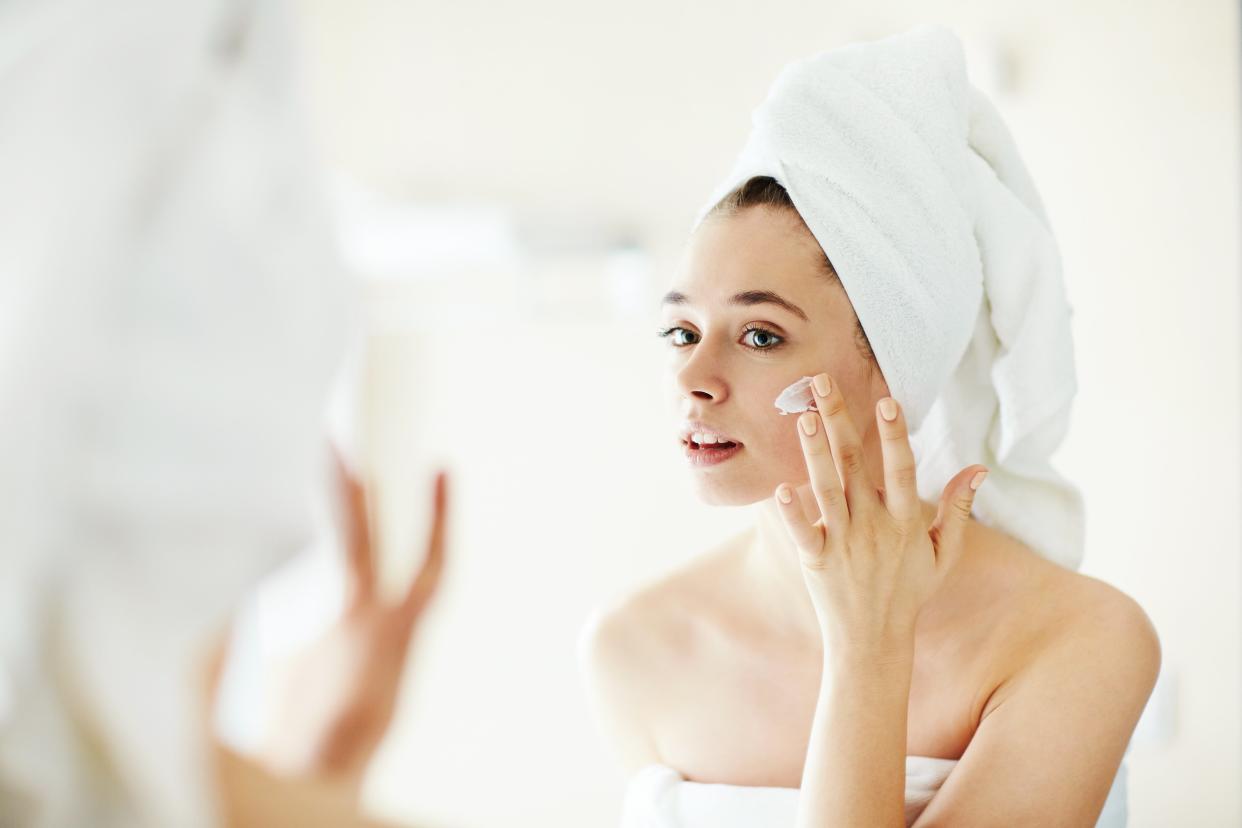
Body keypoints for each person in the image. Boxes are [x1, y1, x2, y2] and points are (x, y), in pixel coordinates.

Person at [579, 25, 1160, 828]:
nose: (692, 381)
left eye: (760, 336)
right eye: (682, 332)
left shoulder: (1080, 640)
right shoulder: (634, 649)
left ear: (893, 366)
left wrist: (867, 647)